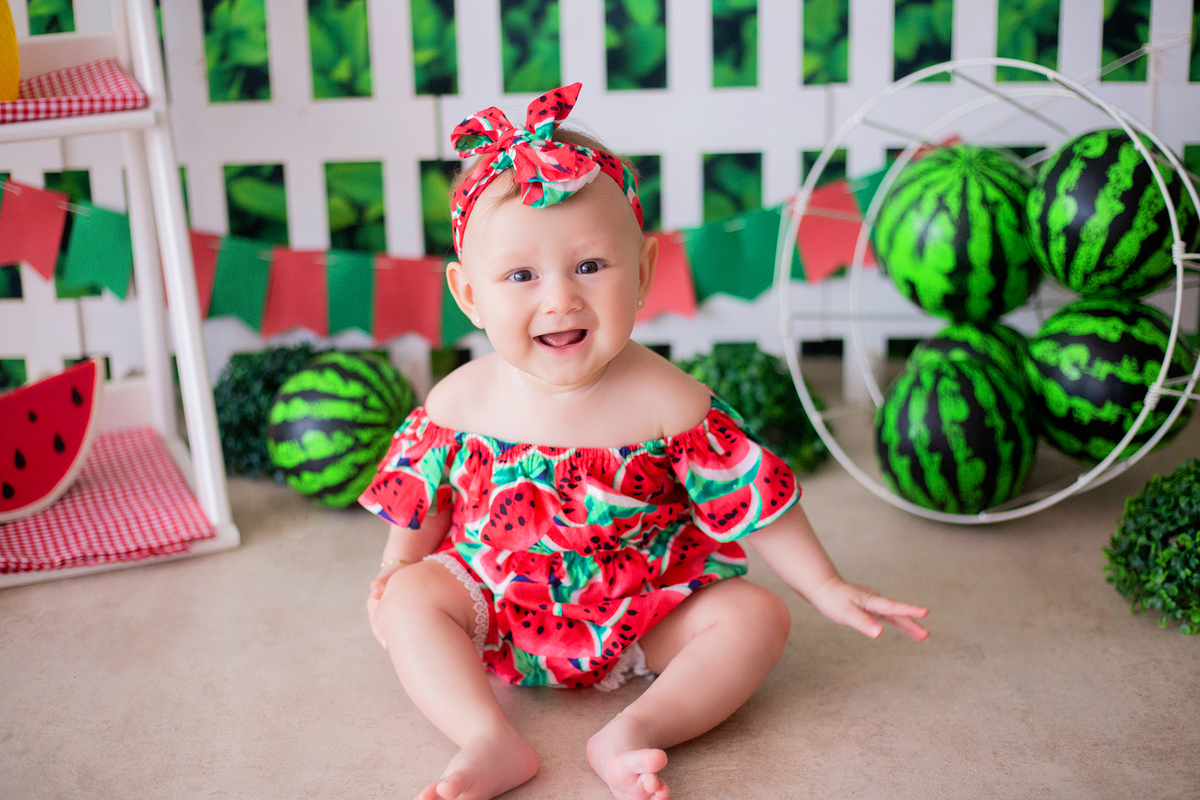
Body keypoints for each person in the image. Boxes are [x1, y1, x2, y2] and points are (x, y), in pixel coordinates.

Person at [359, 83, 929, 800]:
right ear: (469, 294)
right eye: (521, 276)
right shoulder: (458, 401)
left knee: (757, 616)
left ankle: (637, 731)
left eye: (590, 266)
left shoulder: (671, 402)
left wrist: (825, 585)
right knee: (410, 599)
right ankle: (485, 735)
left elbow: (755, 503)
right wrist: (396, 568)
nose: (560, 298)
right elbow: (425, 504)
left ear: (645, 273)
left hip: (639, 609)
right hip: (494, 604)